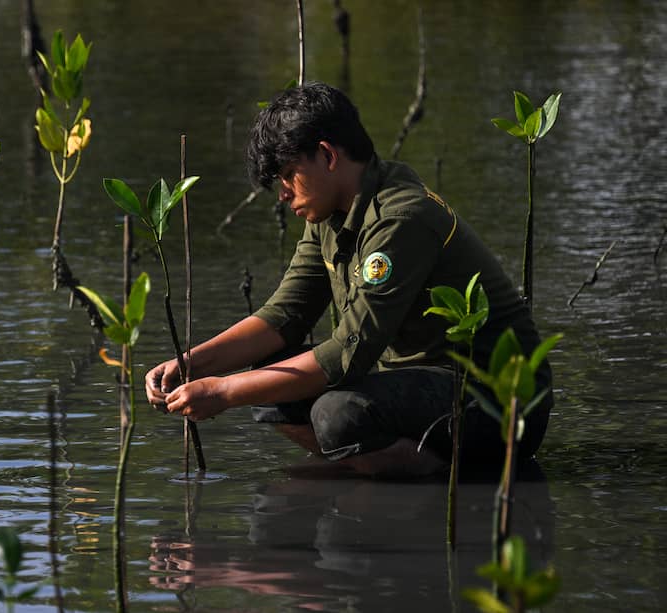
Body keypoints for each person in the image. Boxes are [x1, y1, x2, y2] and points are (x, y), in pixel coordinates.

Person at [145, 82, 553, 478]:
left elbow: (348, 353)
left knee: (336, 413)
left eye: (289, 174)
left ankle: (435, 475)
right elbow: (285, 315)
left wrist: (222, 393)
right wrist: (191, 364)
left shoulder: (401, 217)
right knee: (269, 374)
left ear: (326, 155)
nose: (283, 194)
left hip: (497, 401)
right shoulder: (330, 213)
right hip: (420, 390)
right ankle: (368, 467)